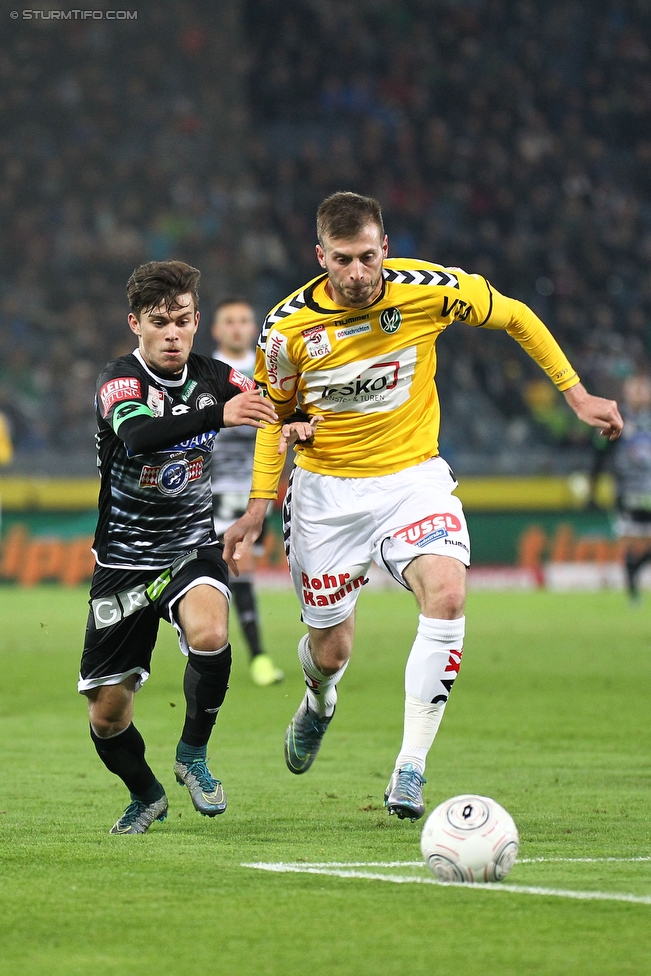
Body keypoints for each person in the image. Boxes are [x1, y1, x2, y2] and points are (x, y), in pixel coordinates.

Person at [223, 191, 623, 822]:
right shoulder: (286, 329)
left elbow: (516, 315)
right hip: (328, 492)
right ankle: (320, 701)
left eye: (367, 257)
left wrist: (576, 397)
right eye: (342, 260)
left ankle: (410, 765)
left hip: (414, 478)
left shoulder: (428, 290)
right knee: (331, 650)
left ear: (385, 247)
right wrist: (255, 506)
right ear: (319, 257)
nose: (358, 274)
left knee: (449, 594)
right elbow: (276, 414)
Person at [78, 260, 278, 834]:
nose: (173, 333)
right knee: (108, 715)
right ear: (135, 323)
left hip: (189, 546)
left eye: (183, 321)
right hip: (123, 563)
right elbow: (139, 435)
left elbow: (272, 402)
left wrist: (294, 423)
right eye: (160, 322)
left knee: (212, 635)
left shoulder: (216, 376)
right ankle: (145, 794)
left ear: (197, 324)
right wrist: (220, 415)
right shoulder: (121, 381)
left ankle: (192, 753)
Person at [210, 298, 284, 686]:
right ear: (216, 330)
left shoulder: (267, 373)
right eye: (230, 322)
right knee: (236, 566)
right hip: (212, 489)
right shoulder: (205, 374)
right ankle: (256, 658)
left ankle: (227, 652)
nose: (237, 328)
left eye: (244, 320)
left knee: (237, 570)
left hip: (256, 489)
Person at [612, 373, 651, 600]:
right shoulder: (618, 416)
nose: (638, 393)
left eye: (643, 388)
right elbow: (602, 449)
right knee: (628, 540)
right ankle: (631, 588)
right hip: (627, 489)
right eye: (634, 389)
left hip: (649, 487)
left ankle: (634, 572)